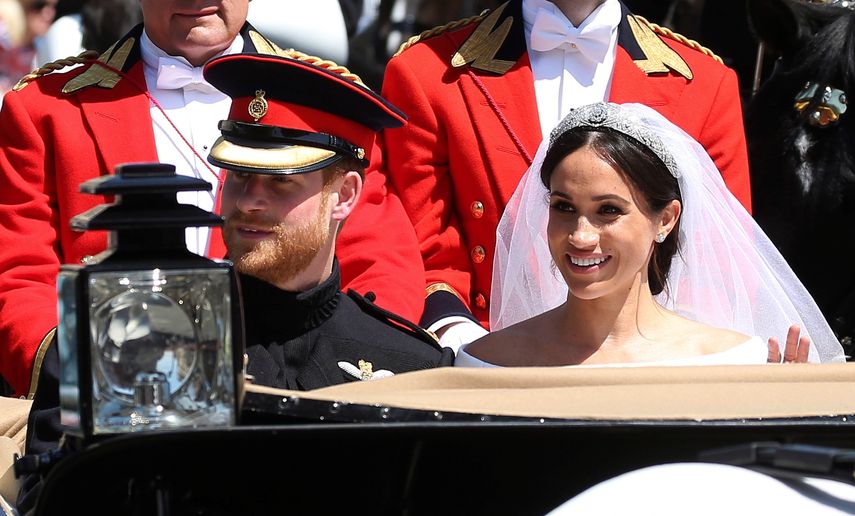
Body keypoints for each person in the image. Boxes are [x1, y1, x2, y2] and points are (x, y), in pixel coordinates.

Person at [15, 52, 453, 512]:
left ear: (344, 195)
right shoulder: (123, 339)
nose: (247, 202)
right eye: (240, 175)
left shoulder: (410, 364)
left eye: (280, 181)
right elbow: (48, 499)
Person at [0, 0, 426, 398]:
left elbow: (381, 267)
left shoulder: (327, 100)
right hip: (116, 402)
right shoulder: (46, 108)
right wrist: (97, 374)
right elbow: (18, 280)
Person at [378, 0, 754, 350]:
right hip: (487, 354)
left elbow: (720, 262)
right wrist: (469, 344)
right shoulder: (427, 75)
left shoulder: (705, 84)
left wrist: (665, 350)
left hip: (656, 360)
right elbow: (420, 246)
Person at [457, 102, 846, 367]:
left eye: (608, 211)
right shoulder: (487, 362)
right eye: (564, 207)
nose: (581, 236)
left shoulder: (733, 361)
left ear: (666, 219)